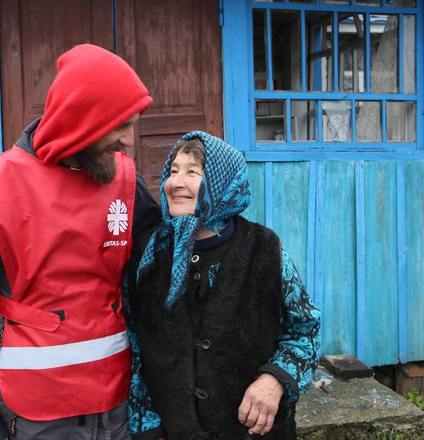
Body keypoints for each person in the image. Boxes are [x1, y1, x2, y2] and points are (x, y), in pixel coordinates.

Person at [0, 44, 160, 440]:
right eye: (120, 124)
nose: (129, 140)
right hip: (33, 415)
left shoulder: (125, 184)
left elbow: (160, 271)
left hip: (113, 408)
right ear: (82, 119)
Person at [126, 131, 321, 439]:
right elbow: (132, 346)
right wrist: (146, 426)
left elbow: (305, 330)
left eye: (193, 172)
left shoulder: (265, 249)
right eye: (173, 170)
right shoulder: (147, 255)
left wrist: (274, 380)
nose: (176, 182)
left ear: (222, 182)